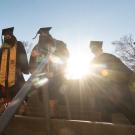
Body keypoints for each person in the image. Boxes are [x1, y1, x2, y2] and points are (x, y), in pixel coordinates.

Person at [89, 40, 135, 124]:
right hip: (104, 94)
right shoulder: (92, 62)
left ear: (100, 48)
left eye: (95, 48)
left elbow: (124, 71)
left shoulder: (109, 57)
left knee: (130, 113)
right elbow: (91, 78)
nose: (93, 50)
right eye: (92, 48)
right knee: (105, 117)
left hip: (118, 91)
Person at [29, 27, 69, 116]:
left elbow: (65, 57)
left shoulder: (59, 44)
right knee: (43, 96)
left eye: (45, 35)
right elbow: (32, 61)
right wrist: (33, 71)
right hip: (41, 76)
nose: (43, 37)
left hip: (56, 74)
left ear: (49, 35)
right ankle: (51, 114)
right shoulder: (36, 47)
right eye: (41, 36)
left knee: (54, 94)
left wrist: (56, 71)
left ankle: (53, 114)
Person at [0, 27, 29, 112]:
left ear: (12, 35)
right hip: (2, 74)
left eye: (8, 35)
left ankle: (22, 108)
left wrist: (24, 68)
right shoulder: (2, 48)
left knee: (18, 91)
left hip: (16, 73)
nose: (7, 37)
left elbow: (23, 55)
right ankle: (3, 109)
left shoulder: (18, 44)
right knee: (2, 93)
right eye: (5, 36)